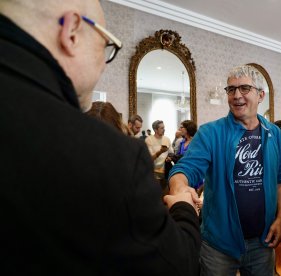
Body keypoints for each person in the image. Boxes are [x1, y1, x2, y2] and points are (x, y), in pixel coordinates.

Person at [0, 1, 200, 275]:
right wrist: (183, 208)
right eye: (106, 46)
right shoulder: (107, 156)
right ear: (72, 32)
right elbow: (176, 265)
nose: (104, 67)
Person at [169, 65, 281, 276]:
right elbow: (187, 168)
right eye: (231, 89)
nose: (236, 95)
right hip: (218, 246)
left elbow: (280, 179)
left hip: (262, 242)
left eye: (244, 88)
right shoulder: (211, 132)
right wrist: (180, 188)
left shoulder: (275, 133)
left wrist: (280, 218)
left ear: (260, 95)